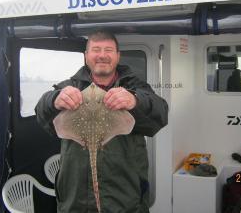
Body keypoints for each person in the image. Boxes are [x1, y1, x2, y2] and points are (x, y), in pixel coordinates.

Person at [35, 31, 168, 213]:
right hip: (75, 203)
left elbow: (161, 113)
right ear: (86, 56)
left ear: (117, 56)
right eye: (96, 49)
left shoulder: (134, 86)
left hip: (125, 202)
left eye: (109, 50)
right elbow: (42, 116)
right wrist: (53, 100)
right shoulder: (69, 86)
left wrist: (136, 100)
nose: (102, 55)